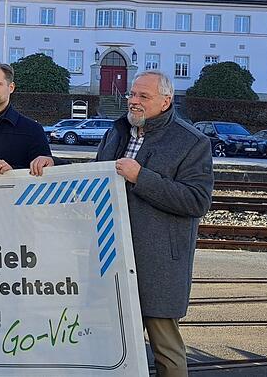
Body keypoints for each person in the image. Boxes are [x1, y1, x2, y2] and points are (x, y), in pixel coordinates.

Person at [94, 69, 213, 377]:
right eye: (132, 94)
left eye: (143, 96)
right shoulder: (116, 133)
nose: (134, 101)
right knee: (112, 346)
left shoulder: (191, 142)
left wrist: (140, 177)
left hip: (158, 262)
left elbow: (197, 201)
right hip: (111, 256)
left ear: (166, 101)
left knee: (166, 351)